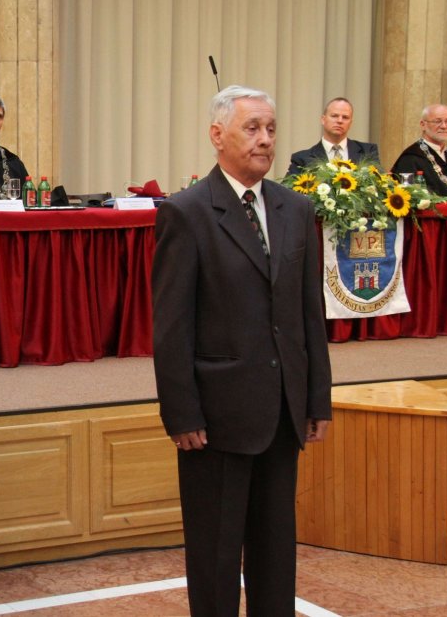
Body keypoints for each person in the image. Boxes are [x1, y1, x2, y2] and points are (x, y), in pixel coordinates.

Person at [152, 85, 332, 616]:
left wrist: (316, 398)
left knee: (275, 554)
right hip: (216, 418)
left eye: (271, 128)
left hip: (282, 411)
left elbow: (309, 313)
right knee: (215, 555)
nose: (265, 139)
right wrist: (182, 412)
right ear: (217, 135)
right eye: (252, 128)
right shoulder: (187, 213)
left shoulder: (295, 208)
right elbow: (171, 326)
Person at [287, 97, 379, 175]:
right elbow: (287, 188)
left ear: (350, 123)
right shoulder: (302, 159)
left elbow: (380, 184)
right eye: (334, 116)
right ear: (323, 120)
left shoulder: (367, 152)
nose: (340, 121)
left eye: (345, 117)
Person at [391, 104, 447, 195]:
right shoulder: (410, 158)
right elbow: (408, 195)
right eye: (437, 121)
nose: (444, 126)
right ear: (423, 125)